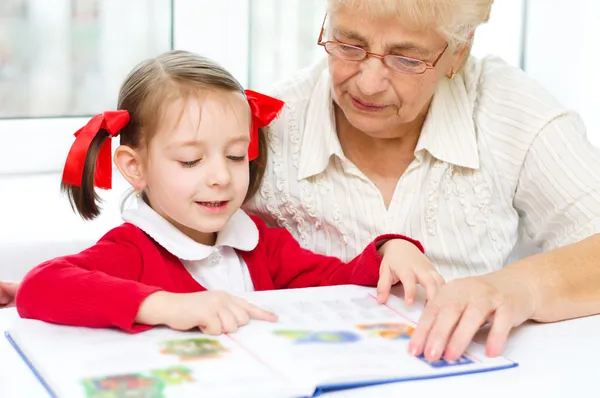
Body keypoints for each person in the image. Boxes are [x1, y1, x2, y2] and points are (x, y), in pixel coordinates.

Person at [243, 0, 600, 363]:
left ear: (459, 53)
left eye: (407, 60)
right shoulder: (271, 124)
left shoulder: (508, 109)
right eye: (349, 45)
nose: (368, 84)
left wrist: (517, 287)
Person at [13, 50, 442, 335]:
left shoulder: (264, 244)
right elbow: (39, 287)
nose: (221, 177)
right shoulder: (133, 250)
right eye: (190, 161)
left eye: (236, 156)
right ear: (135, 167)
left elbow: (336, 282)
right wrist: (164, 306)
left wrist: (390, 249)